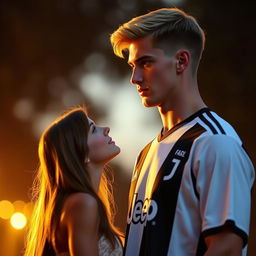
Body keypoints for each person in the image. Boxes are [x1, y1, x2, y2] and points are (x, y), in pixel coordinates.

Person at [110, 7, 255, 256]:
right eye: (132, 65)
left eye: (145, 63)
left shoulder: (215, 142)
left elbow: (227, 248)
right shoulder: (146, 152)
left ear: (181, 61)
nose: (134, 77)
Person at [24, 107, 123, 256]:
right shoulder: (83, 203)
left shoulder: (76, 202)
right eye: (93, 129)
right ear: (81, 152)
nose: (107, 129)